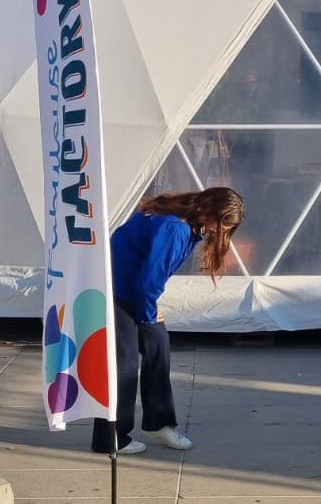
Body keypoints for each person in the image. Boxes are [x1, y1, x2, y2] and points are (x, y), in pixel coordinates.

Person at [92, 187, 245, 456]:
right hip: (117, 292)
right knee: (124, 365)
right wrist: (149, 313)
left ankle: (158, 423)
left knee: (158, 347)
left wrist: (148, 309)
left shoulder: (184, 218)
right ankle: (109, 438)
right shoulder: (175, 228)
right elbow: (148, 281)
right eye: (222, 225)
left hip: (129, 291)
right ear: (210, 213)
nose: (220, 232)